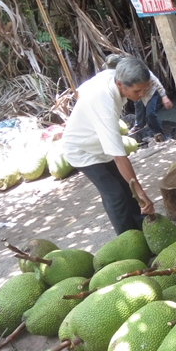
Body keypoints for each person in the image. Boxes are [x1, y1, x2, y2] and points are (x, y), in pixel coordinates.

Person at [62, 57, 155, 235]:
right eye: (137, 91)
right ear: (120, 84)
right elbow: (120, 158)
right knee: (115, 194)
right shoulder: (104, 106)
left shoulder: (112, 74)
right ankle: (128, 240)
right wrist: (142, 193)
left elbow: (81, 90)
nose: (141, 95)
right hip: (82, 151)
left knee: (126, 188)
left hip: (99, 144)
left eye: (145, 89)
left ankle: (141, 226)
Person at [129, 70, 173, 138]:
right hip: (137, 96)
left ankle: (160, 134)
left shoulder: (147, 74)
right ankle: (138, 125)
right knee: (139, 112)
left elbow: (157, 84)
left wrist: (164, 96)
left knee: (150, 114)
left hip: (150, 94)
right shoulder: (128, 77)